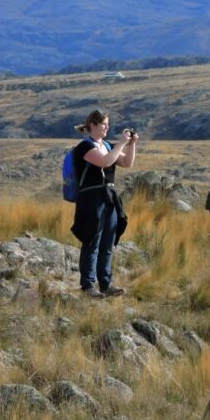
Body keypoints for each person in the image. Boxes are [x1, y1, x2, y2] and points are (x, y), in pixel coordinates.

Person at [69, 110, 137, 298]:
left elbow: (126, 162)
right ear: (93, 125)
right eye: (104, 124)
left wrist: (131, 144)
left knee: (107, 243)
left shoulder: (107, 145)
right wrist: (122, 142)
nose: (107, 127)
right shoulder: (84, 147)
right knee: (92, 241)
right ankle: (88, 285)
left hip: (109, 198)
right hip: (92, 200)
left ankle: (105, 284)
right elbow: (105, 162)